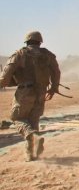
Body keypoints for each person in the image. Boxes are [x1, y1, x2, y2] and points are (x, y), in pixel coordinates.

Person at [0, 31, 61, 161]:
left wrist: (4, 83)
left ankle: (33, 137)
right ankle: (32, 154)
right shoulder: (48, 55)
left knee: (17, 118)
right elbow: (56, 71)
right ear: (40, 42)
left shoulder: (20, 54)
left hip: (25, 92)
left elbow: (4, 78)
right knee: (33, 121)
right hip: (41, 92)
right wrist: (53, 88)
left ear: (27, 41)